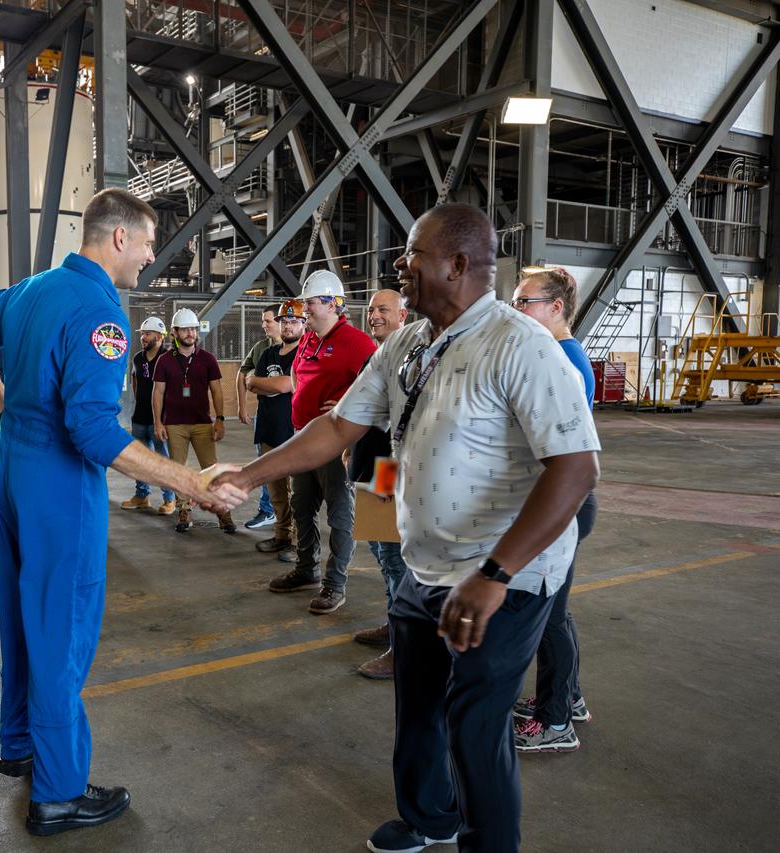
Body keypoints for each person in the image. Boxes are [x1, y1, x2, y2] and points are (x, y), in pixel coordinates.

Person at [213, 204, 600, 853]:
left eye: (413, 253)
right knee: (418, 703)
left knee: (475, 723)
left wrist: (495, 574)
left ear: (456, 265)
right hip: (427, 566)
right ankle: (429, 816)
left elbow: (576, 467)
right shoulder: (409, 342)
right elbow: (339, 427)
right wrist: (249, 476)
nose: (399, 263)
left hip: (504, 576)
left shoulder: (520, 346)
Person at [0, 188, 247, 837]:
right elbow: (92, 430)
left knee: (26, 615)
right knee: (61, 628)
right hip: (59, 479)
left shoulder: (33, 290)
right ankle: (57, 790)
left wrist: (6, 407)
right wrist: (189, 482)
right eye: (144, 246)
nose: (147, 260)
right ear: (118, 239)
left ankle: (22, 742)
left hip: (16, 467)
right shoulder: (97, 309)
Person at [508, 267, 599, 753]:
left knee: (550, 615)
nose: (516, 310)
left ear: (555, 308)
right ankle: (568, 700)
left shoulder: (563, 360)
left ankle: (555, 721)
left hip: (562, 504)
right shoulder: (558, 353)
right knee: (554, 614)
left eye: (525, 302)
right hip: (559, 503)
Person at [265, 270, 375, 616]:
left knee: (340, 516)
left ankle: (334, 584)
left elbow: (377, 388)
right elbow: (298, 376)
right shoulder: (310, 339)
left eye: (310, 304)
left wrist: (347, 407)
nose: (305, 311)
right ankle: (306, 569)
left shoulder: (358, 343)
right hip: (303, 439)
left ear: (332, 304)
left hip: (333, 444)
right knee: (302, 507)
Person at [348, 288, 410, 679]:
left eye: (383, 309)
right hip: (368, 467)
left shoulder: (406, 358)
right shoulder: (378, 355)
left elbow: (397, 425)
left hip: (388, 469)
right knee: (380, 552)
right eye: (371, 309)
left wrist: (389, 480)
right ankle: (394, 626)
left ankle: (403, 647)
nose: (374, 315)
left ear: (403, 315)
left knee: (393, 558)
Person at [152, 308, 235, 534]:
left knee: (211, 469)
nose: (190, 333)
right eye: (185, 329)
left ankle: (222, 510)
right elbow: (157, 393)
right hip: (174, 424)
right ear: (175, 332)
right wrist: (158, 423)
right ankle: (184, 509)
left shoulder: (207, 359)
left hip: (202, 423)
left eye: (193, 329)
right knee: (178, 469)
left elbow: (217, 390)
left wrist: (219, 419)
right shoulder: (164, 361)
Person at [247, 299, 303, 564]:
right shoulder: (269, 353)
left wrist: (266, 384)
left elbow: (284, 385)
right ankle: (282, 536)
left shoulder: (303, 352)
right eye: (284, 321)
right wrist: (268, 384)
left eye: (294, 321)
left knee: (301, 493)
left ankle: (301, 544)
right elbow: (250, 384)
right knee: (277, 491)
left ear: (304, 324)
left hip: (294, 432)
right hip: (268, 430)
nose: (288, 326)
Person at [119, 316, 176, 515]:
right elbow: (135, 381)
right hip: (140, 418)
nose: (143, 337)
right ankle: (142, 496)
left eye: (147, 333)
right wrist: (141, 403)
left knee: (163, 461)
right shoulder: (138, 358)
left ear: (159, 336)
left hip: (161, 420)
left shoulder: (169, 358)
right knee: (139, 461)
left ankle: (169, 499)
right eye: (142, 334)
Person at [237, 306, 281, 530]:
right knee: (265, 465)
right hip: (265, 417)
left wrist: (259, 383)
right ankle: (268, 510)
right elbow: (244, 376)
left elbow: (290, 384)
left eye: (268, 321)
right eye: (264, 321)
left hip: (289, 419)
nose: (264, 325)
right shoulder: (261, 348)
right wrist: (242, 406)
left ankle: (289, 517)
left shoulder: (301, 345)